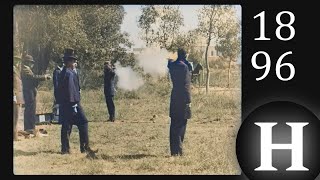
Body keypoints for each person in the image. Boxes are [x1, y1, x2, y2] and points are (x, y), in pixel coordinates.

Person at [57, 48, 95, 154]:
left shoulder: (69, 72)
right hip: (71, 103)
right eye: (73, 61)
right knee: (80, 123)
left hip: (70, 102)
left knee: (68, 125)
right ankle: (81, 148)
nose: (75, 62)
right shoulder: (67, 73)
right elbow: (69, 90)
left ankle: (67, 149)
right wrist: (73, 104)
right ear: (69, 62)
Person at [167, 48, 192, 156]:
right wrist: (189, 100)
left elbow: (170, 63)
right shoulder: (185, 67)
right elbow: (186, 85)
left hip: (174, 96)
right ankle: (179, 151)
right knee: (181, 124)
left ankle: (173, 151)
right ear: (185, 56)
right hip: (183, 98)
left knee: (174, 124)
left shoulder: (172, 66)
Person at [21, 54, 51, 133]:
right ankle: (29, 128)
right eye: (31, 62)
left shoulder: (26, 68)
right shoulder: (25, 69)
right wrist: (44, 77)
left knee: (31, 109)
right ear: (27, 62)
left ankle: (31, 127)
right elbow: (33, 77)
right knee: (29, 109)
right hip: (28, 91)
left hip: (30, 91)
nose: (32, 64)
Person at [13, 53, 24, 141]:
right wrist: (14, 96)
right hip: (15, 96)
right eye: (16, 60)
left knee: (17, 117)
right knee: (15, 117)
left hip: (19, 96)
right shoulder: (13, 69)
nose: (17, 62)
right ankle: (14, 136)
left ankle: (15, 135)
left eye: (19, 60)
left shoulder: (17, 69)